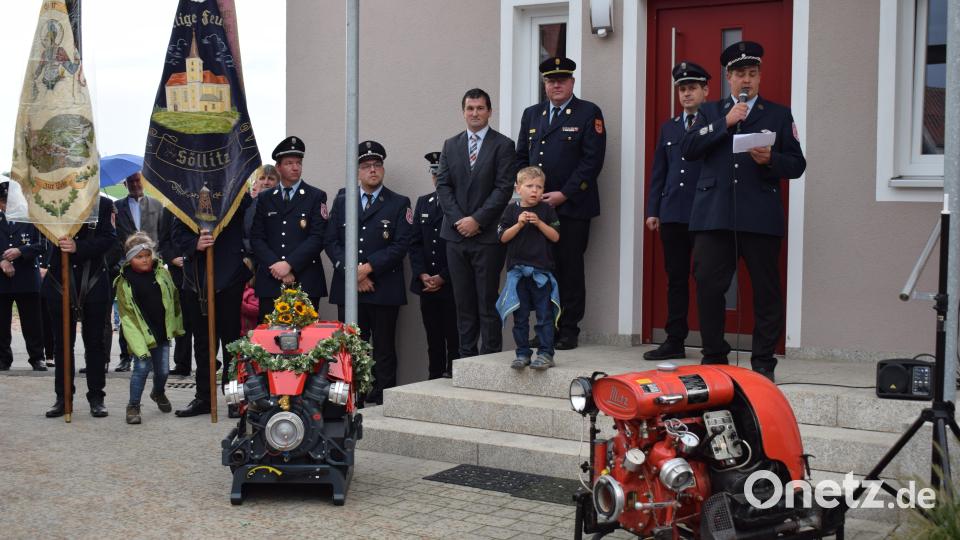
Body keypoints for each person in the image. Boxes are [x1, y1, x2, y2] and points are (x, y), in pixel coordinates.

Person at [681, 41, 806, 382]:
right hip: (714, 215)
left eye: (752, 73)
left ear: (760, 77)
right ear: (728, 78)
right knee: (708, 286)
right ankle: (714, 357)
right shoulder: (709, 111)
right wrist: (725, 121)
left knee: (766, 290)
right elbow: (688, 147)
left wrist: (771, 159)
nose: (746, 80)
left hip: (759, 215)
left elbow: (797, 165)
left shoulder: (778, 114)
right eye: (739, 74)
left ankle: (763, 361)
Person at [515, 57, 606, 350]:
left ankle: (568, 329)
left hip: (572, 207)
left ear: (572, 82)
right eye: (551, 80)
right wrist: (526, 193)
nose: (556, 85)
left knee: (569, 268)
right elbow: (521, 158)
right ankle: (546, 328)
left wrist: (564, 194)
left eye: (562, 80)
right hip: (538, 209)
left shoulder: (588, 113)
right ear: (544, 84)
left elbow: (592, 162)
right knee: (542, 269)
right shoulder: (532, 114)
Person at [325, 140, 412, 406]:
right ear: (357, 171)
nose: (372, 170)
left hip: (384, 286)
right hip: (349, 287)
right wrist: (353, 273)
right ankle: (354, 396)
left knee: (384, 347)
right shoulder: (342, 200)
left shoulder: (398, 203)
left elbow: (401, 244)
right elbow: (331, 241)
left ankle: (384, 397)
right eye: (366, 166)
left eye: (377, 165)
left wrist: (368, 268)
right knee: (352, 346)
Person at [435, 88, 516, 358]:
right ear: (463, 112)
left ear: (489, 111)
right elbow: (443, 186)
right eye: (470, 108)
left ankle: (489, 359)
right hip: (456, 236)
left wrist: (477, 220)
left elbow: (503, 188)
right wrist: (460, 220)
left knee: (486, 301)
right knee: (463, 303)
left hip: (487, 237)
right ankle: (466, 359)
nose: (475, 113)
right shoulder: (451, 145)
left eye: (480, 108)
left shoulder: (503, 145)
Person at [643, 61, 711, 361]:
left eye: (692, 88)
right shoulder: (669, 127)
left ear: (706, 91)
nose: (686, 94)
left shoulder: (714, 123)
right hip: (672, 212)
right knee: (676, 279)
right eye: (682, 89)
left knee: (708, 278)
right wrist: (653, 209)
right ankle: (675, 340)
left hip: (706, 212)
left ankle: (711, 341)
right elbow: (660, 170)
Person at [169, 196, 251, 417]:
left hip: (230, 277)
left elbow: (249, 223)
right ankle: (204, 397)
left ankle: (234, 398)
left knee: (232, 343)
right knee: (203, 343)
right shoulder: (189, 193)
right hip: (198, 280)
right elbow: (176, 234)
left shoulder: (235, 190)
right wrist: (194, 243)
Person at [43, 195, 117, 418]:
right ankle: (63, 397)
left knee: (94, 343)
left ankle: (96, 397)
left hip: (93, 280)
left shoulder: (103, 204)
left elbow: (109, 239)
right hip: (59, 281)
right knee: (62, 344)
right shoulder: (48, 201)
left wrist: (78, 247)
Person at [250, 137, 328, 319]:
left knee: (306, 335)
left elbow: (318, 237)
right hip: (271, 281)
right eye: (289, 163)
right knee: (269, 335)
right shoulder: (265, 198)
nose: (295, 167)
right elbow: (257, 237)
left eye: (299, 163)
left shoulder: (316, 196)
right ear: (278, 167)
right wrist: (277, 266)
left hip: (306, 280)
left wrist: (289, 264)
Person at [114, 232, 184, 424]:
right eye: (139, 257)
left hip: (161, 332)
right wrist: (136, 341)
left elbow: (173, 298)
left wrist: (176, 324)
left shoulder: (161, 273)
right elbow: (126, 315)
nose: (145, 260)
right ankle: (133, 406)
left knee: (163, 371)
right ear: (130, 259)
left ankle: (158, 392)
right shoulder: (125, 281)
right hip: (139, 334)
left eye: (147, 255)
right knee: (141, 368)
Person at [495, 166, 560, 370]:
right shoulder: (510, 210)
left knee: (544, 316)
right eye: (530, 186)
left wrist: (539, 223)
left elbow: (555, 236)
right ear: (518, 189)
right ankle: (522, 353)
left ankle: (546, 353)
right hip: (518, 274)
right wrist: (519, 224)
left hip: (541, 273)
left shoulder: (547, 210)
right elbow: (502, 237)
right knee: (520, 317)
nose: (535, 191)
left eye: (539, 187)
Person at [409, 152, 459, 379]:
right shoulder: (424, 202)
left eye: (442, 173)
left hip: (451, 282)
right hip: (427, 283)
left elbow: (460, 246)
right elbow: (415, 242)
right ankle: (434, 376)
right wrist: (422, 274)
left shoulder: (459, 204)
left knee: (454, 334)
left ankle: (453, 374)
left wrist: (443, 277)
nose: (438, 178)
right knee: (433, 336)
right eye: (435, 173)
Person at [112, 172, 164, 372]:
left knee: (151, 313)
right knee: (127, 315)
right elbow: (115, 237)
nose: (135, 184)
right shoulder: (117, 207)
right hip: (127, 268)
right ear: (125, 184)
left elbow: (162, 234)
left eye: (137, 180)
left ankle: (152, 356)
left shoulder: (157, 205)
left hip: (152, 267)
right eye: (131, 182)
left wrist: (158, 260)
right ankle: (125, 357)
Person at [0, 180, 46, 371]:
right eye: (3, 201)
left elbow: (43, 244)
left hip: (26, 277)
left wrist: (21, 251)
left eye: (9, 201)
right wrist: (1, 260)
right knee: (2, 322)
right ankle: (3, 358)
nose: (6, 205)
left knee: (32, 321)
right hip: (2, 279)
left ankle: (37, 357)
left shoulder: (31, 218)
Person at [159, 208, 199, 377]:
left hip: (199, 269)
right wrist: (172, 258)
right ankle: (182, 363)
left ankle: (207, 362)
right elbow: (164, 240)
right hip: (178, 272)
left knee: (201, 320)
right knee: (182, 320)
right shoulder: (169, 209)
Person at [242, 164, 279, 254]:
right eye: (262, 178)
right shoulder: (248, 205)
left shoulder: (286, 205)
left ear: (278, 183)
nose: (266, 182)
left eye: (271, 179)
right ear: (256, 182)